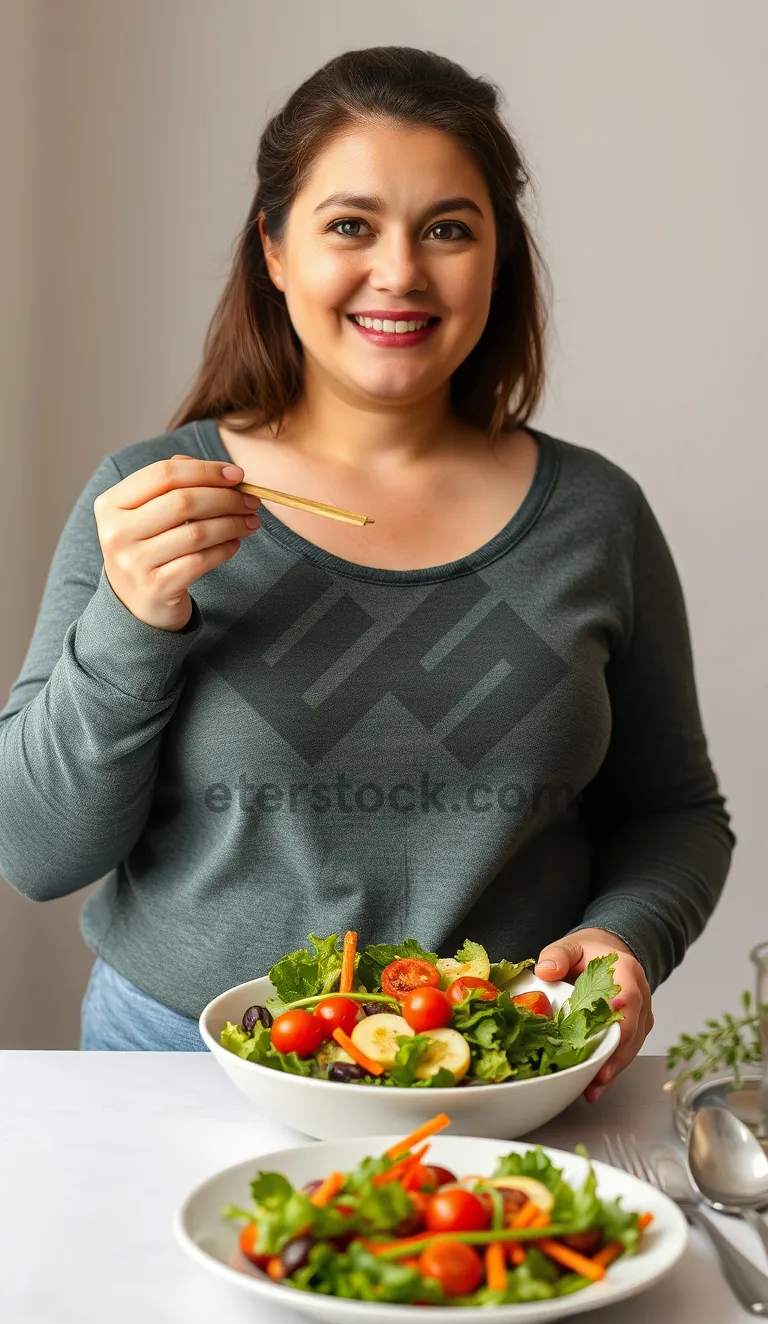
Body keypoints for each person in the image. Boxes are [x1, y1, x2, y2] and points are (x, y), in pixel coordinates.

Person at [0, 46, 734, 1098]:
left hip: (497, 1083)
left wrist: (628, 938)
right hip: (172, 1075)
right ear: (274, 250)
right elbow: (34, 852)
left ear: (499, 259)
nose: (400, 271)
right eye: (351, 225)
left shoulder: (596, 516)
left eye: (448, 228)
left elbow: (676, 812)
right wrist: (131, 618)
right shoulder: (149, 498)